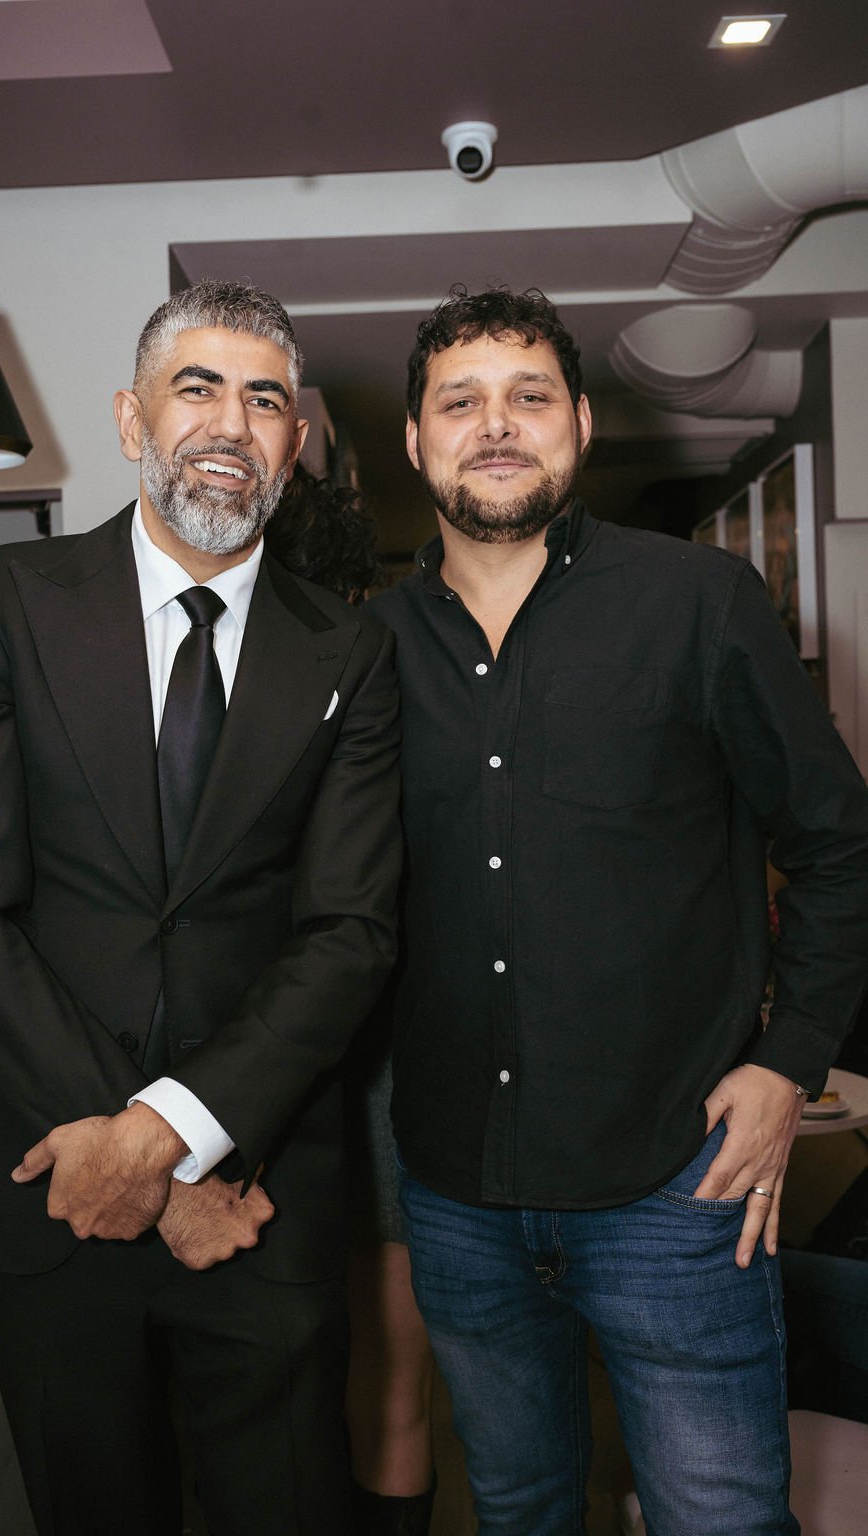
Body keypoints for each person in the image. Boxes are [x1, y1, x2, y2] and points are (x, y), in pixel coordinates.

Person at [0, 280, 401, 1536]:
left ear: (295, 446)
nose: (231, 422)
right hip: (44, 1172)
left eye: (264, 399)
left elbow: (349, 932)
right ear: (130, 420)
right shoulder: (1, 598)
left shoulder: (352, 652)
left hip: (259, 1192)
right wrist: (147, 1172)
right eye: (196, 388)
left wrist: (175, 1136)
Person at [369, 285, 868, 1535]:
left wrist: (787, 1058)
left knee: (719, 1514)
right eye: (460, 402)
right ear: (416, 442)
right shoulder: (361, 649)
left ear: (580, 425)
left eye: (528, 398)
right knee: (519, 1502)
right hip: (454, 1190)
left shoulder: (700, 605)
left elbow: (838, 843)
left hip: (676, 1185)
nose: (497, 426)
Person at [266, 470, 437, 1535]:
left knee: (276, 1389)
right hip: (376, 1063)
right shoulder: (397, 674)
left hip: (258, 1073)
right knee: (388, 1388)